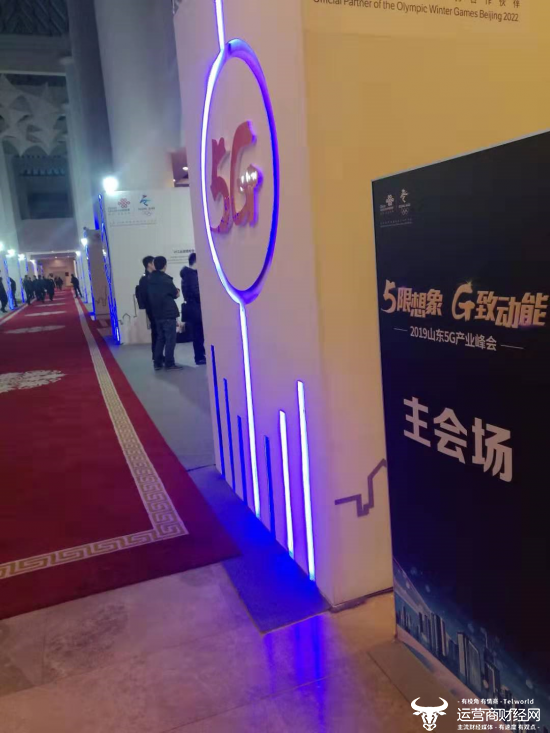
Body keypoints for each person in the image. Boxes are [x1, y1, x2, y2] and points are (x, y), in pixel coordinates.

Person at [147, 256, 183, 371]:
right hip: (168, 313)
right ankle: (169, 363)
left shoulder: (150, 279)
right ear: (165, 265)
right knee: (170, 339)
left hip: (157, 313)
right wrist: (178, 291)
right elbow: (175, 294)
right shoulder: (166, 280)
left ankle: (157, 363)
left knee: (160, 338)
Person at [180, 252, 206, 365]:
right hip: (196, 309)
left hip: (193, 308)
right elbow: (196, 292)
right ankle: (199, 357)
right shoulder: (191, 275)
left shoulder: (187, 275)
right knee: (198, 333)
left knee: (198, 333)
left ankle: (200, 354)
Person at [136, 255, 159, 363]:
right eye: (154, 262)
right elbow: (147, 296)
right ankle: (156, 355)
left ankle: (158, 354)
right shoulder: (145, 279)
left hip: (156, 309)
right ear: (149, 264)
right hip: (153, 309)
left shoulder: (153, 276)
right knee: (156, 332)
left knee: (158, 332)